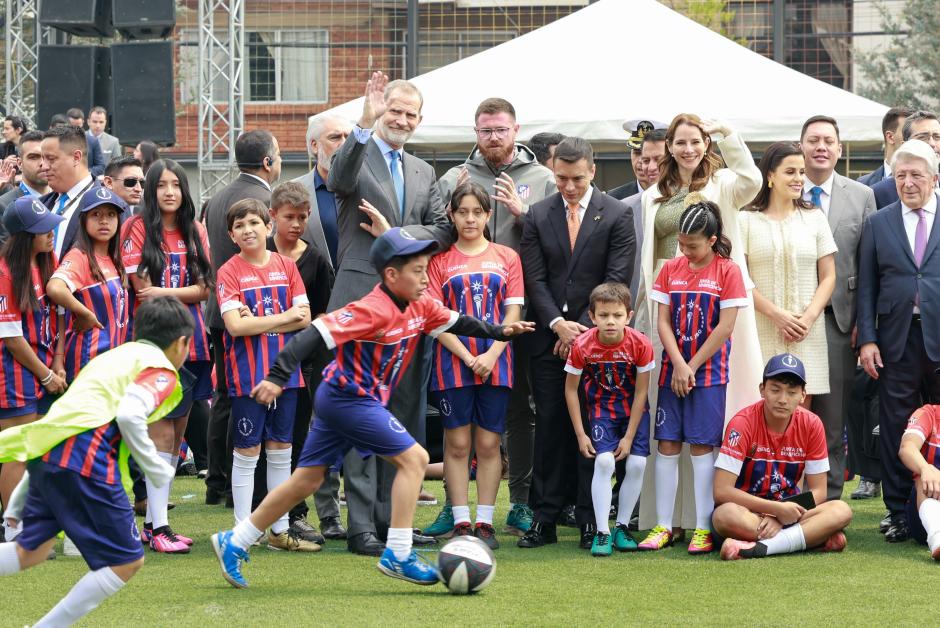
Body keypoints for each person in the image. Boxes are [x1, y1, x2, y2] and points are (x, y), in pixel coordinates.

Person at [210, 227, 534, 588]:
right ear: (391, 275)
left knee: (307, 479)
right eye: (417, 270)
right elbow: (313, 333)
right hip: (346, 397)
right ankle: (397, 553)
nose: (425, 277)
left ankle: (234, 541)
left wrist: (501, 332)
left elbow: (459, 321)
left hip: (353, 399)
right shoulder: (371, 309)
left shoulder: (421, 304)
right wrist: (276, 375)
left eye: (427, 268)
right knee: (415, 459)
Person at [0, 296, 193, 626]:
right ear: (182, 343)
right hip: (86, 460)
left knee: (28, 551)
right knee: (127, 561)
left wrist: (16, 506)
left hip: (50, 455)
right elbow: (132, 414)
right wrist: (156, 467)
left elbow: (62, 425)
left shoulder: (114, 358)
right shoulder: (160, 369)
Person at [327, 71, 450, 556]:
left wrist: (394, 230)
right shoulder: (357, 155)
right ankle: (361, 525)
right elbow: (337, 178)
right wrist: (363, 121)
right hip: (361, 300)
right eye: (393, 109)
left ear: (420, 121)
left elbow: (440, 231)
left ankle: (389, 519)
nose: (400, 119)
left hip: (410, 311)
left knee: (400, 416)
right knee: (362, 412)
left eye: (409, 113)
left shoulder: (423, 170)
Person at [635, 114, 763, 535]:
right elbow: (647, 257)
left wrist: (728, 133)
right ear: (668, 146)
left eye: (695, 142)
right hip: (666, 305)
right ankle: (665, 521)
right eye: (680, 142)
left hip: (713, 304)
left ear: (705, 144)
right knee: (667, 420)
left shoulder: (723, 183)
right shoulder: (653, 193)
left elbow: (753, 181)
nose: (688, 149)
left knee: (713, 415)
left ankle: (709, 520)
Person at [433, 97, 555, 538]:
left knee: (520, 410)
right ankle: (455, 508)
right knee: (459, 434)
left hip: (520, 313)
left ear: (516, 129)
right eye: (485, 130)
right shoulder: (455, 178)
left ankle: (518, 501)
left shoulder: (541, 178)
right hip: (461, 327)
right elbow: (432, 234)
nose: (493, 137)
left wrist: (527, 218)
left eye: (501, 129)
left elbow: (557, 239)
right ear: (476, 131)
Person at [518, 136, 635, 550]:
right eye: (561, 178)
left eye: (577, 179)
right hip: (549, 342)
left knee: (593, 429)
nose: (568, 186)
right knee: (549, 427)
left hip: (600, 344)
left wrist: (583, 330)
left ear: (593, 171)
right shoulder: (536, 214)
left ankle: (591, 518)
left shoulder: (618, 214)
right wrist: (557, 325)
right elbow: (533, 278)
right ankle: (544, 519)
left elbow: (618, 277)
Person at [638, 201, 748, 554]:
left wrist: (692, 366)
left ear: (713, 240)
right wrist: (678, 364)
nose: (685, 252)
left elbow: (725, 328)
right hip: (672, 373)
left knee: (702, 447)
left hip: (710, 375)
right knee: (667, 445)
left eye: (693, 246)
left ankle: (703, 527)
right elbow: (662, 322)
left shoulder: (728, 271)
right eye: (681, 245)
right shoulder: (670, 268)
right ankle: (663, 526)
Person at [121, 159, 213, 552]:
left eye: (177, 184)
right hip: (154, 343)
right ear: (151, 192)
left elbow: (205, 288)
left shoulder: (195, 229)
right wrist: (172, 293)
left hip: (192, 343)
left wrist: (164, 292)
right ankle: (158, 527)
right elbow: (142, 290)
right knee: (160, 434)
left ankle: (156, 523)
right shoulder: (136, 227)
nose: (170, 192)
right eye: (162, 185)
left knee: (177, 438)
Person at [426, 182, 525, 548]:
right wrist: (468, 357)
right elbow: (434, 319)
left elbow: (513, 311)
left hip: (497, 362)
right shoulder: (440, 261)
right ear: (451, 215)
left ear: (488, 215)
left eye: (477, 212)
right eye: (462, 212)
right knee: (456, 444)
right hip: (452, 363)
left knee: (488, 444)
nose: (470, 219)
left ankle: (485, 522)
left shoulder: (506, 257)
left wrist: (491, 354)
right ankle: (461, 520)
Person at [216, 198, 314, 551]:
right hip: (248, 378)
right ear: (231, 234)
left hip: (286, 376)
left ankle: (280, 530)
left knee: (281, 449)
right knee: (247, 451)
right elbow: (235, 328)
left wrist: (255, 321)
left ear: (267, 227)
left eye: (254, 223)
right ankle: (243, 530)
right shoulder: (229, 271)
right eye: (240, 225)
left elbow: (305, 317)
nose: (248, 230)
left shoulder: (287, 267)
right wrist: (283, 318)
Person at [858, 139, 940, 543]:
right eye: (901, 175)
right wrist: (867, 340)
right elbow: (867, 289)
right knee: (894, 424)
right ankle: (899, 512)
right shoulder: (880, 221)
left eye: (916, 176)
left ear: (934, 179)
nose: (908, 183)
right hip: (896, 338)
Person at [799, 115, 877, 502]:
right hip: (790, 322)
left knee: (831, 420)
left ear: (840, 149)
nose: (821, 147)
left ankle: (825, 501)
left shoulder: (860, 196)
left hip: (838, 323)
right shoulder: (783, 188)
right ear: (801, 146)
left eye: (828, 140)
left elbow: (868, 266)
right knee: (789, 413)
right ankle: (784, 494)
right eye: (813, 139)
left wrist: (865, 323)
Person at [201, 130, 279, 511]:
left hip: (221, 310)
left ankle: (217, 480)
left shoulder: (217, 196)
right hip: (250, 313)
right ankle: (237, 485)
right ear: (268, 161)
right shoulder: (263, 202)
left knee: (226, 398)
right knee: (245, 396)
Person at [712, 353, 853, 560]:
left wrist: (782, 518)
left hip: (791, 511)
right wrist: (775, 510)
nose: (783, 399)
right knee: (724, 516)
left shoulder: (812, 424)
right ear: (762, 389)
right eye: (775, 390)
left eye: (792, 392)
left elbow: (819, 491)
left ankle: (759, 548)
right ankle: (810, 539)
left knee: (841, 510)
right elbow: (721, 491)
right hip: (749, 513)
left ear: (803, 396)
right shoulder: (742, 424)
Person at [266, 182, 341, 541]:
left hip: (307, 360)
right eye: (289, 217)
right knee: (257, 440)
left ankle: (295, 512)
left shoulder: (315, 259)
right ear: (272, 216)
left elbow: (324, 312)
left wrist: (303, 326)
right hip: (261, 358)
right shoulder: (257, 253)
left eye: (302, 217)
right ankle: (255, 510)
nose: (296, 224)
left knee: (296, 437)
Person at [741, 141, 837, 402]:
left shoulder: (815, 218)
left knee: (801, 419)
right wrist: (777, 315)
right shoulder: (745, 220)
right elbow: (741, 280)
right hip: (761, 331)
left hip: (808, 333)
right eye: (790, 172)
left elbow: (829, 276)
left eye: (802, 172)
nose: (799, 179)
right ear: (770, 175)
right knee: (760, 414)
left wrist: (807, 319)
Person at [564, 282, 653, 556]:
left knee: (637, 465)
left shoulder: (641, 344)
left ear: (629, 316)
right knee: (603, 462)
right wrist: (581, 434)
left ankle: (622, 527)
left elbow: (641, 393)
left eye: (617, 315)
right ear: (592, 316)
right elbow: (569, 390)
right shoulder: (582, 344)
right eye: (603, 315)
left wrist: (628, 438)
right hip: (602, 412)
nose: (610, 322)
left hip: (634, 413)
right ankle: (602, 532)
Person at [0, 197, 67, 542]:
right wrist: (46, 373)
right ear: (25, 235)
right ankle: (14, 528)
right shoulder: (5, 271)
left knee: (37, 450)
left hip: (42, 369)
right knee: (18, 451)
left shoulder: (46, 261)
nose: (51, 233)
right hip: (13, 374)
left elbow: (57, 316)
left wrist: (57, 362)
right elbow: (11, 338)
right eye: (43, 229)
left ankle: (27, 520)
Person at [46, 187, 129, 384]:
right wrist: (85, 313)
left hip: (113, 364)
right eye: (96, 214)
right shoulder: (79, 256)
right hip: (87, 364)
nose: (104, 220)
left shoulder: (115, 257)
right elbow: (55, 288)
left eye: (111, 214)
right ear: (83, 221)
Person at [294, 112, 352, 268]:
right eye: (335, 137)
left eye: (348, 137)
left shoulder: (369, 187)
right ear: (314, 145)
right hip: (312, 287)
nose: (344, 143)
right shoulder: (292, 192)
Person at [39, 125, 97, 260]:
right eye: (43, 159)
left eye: (51, 159)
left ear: (76, 157)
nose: (44, 166)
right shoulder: (41, 205)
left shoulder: (110, 205)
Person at [870, 111, 940, 209]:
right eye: (923, 137)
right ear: (904, 145)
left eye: (937, 137)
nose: (932, 143)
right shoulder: (878, 194)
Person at [899, 399, 940, 558]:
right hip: (929, 504)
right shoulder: (928, 413)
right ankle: (937, 538)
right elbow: (907, 448)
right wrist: (925, 468)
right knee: (925, 478)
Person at [0, 130, 51, 244]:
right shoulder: (4, 205)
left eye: (48, 157)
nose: (43, 163)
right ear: (19, 163)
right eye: (34, 157)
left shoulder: (64, 200)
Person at [610, 120, 666, 200]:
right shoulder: (614, 199)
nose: (641, 161)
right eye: (637, 153)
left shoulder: (683, 197)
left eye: (656, 157)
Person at [858, 107, 914, 188]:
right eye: (908, 132)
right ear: (890, 137)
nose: (915, 138)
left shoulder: (932, 180)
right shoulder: (863, 184)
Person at [66, 108, 106, 178]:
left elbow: (100, 166)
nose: (75, 129)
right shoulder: (60, 141)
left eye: (78, 126)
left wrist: (83, 172)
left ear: (83, 123)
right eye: (72, 126)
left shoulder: (92, 141)